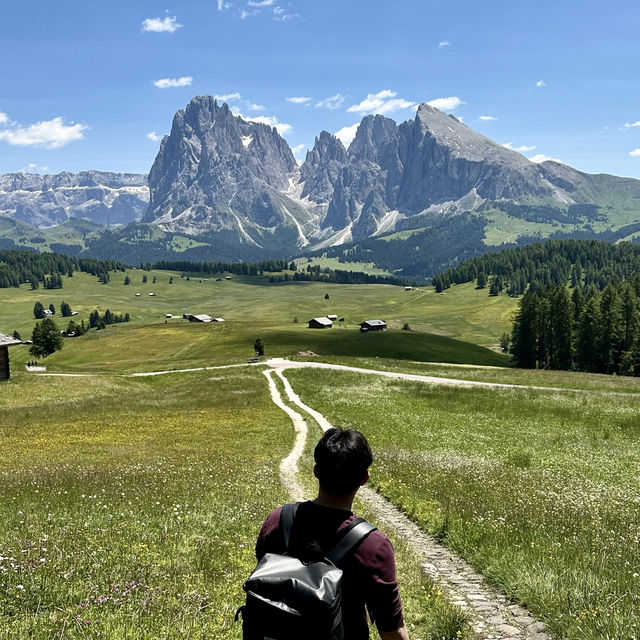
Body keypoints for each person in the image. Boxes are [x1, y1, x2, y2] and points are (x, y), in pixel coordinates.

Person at [255, 427, 409, 640]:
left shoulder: (278, 520)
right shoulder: (373, 546)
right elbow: (392, 631)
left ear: (316, 471)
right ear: (365, 478)